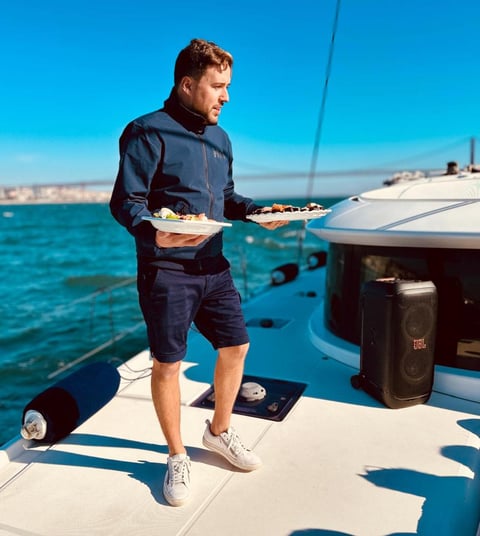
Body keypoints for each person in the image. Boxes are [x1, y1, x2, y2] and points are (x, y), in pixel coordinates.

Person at [110, 38, 287, 507]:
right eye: (218, 87)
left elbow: (226, 197)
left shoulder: (222, 139)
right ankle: (176, 455)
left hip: (215, 265)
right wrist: (154, 235)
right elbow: (125, 203)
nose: (225, 97)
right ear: (188, 85)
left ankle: (219, 431)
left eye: (227, 87)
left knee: (237, 346)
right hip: (166, 271)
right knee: (167, 364)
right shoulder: (146, 131)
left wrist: (257, 213)